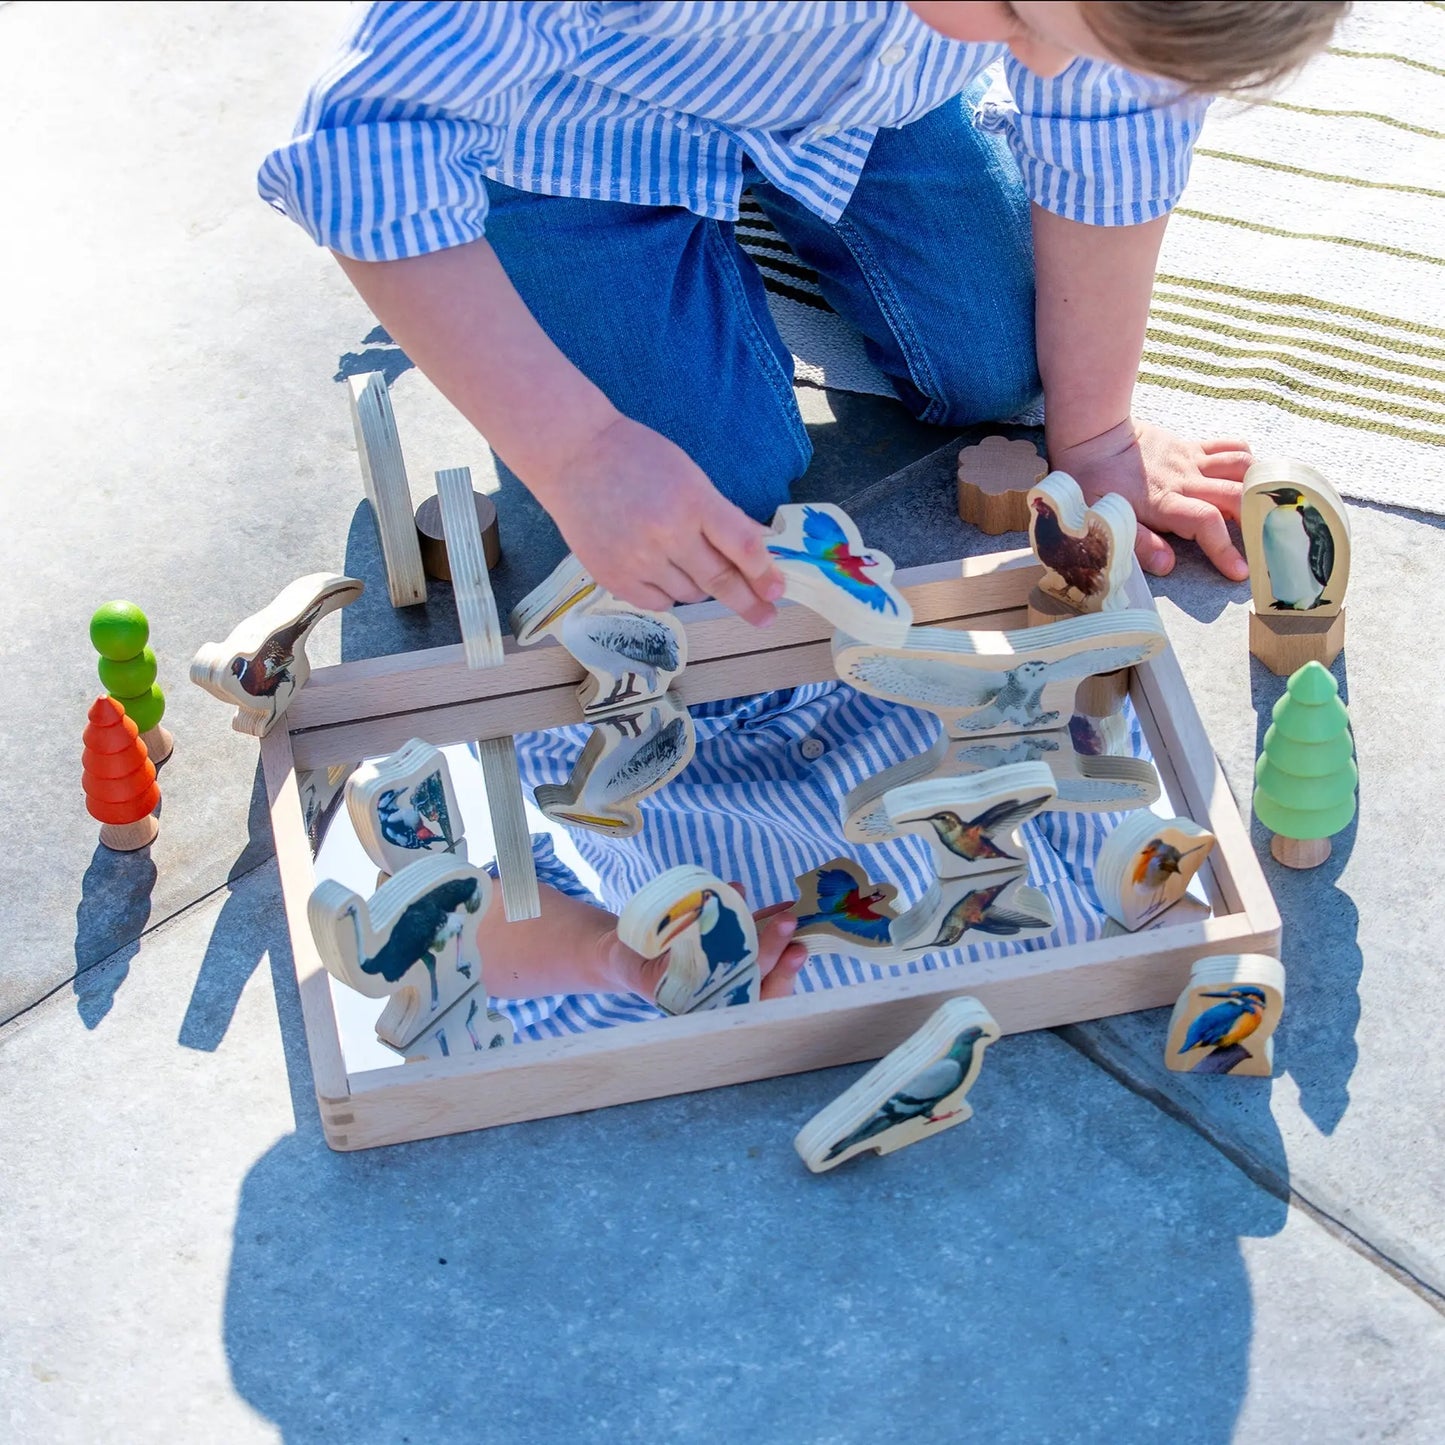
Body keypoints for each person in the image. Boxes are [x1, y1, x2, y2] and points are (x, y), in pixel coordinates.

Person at [261, 2, 1345, 1026]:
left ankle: (765, 217)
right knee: (716, 489)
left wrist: (1098, 432)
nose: (1044, 67)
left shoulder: (1068, 29)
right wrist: (578, 448)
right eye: (1021, 21)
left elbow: (1109, 106)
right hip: (564, 136)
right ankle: (609, 272)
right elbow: (366, 144)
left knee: (1004, 370)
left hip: (860, 96)